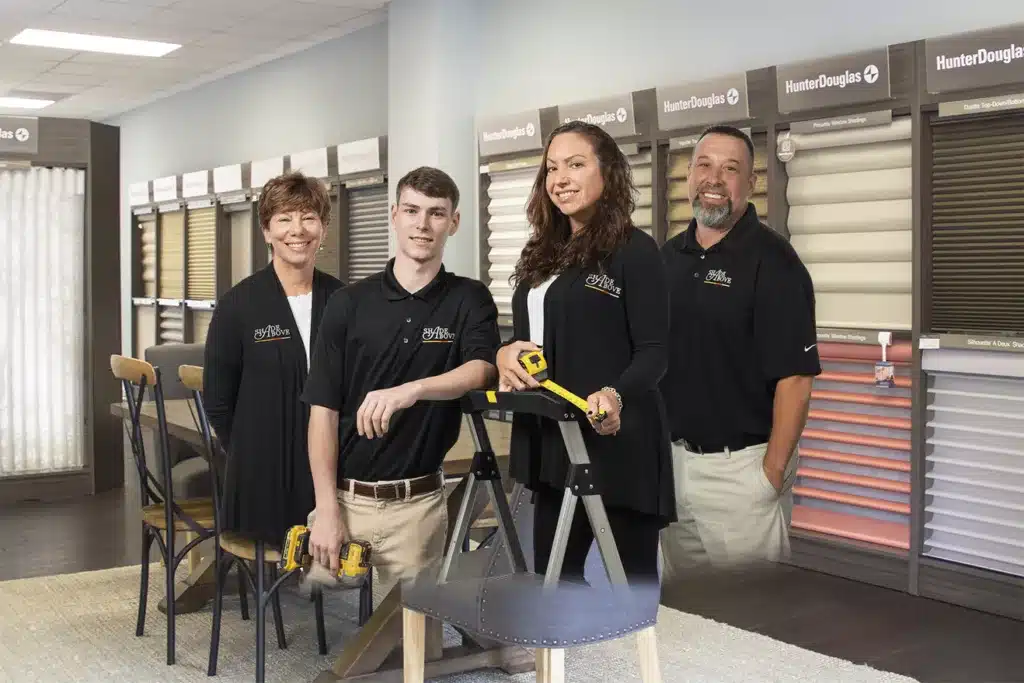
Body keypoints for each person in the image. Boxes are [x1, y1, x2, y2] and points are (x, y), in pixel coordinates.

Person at [302, 166, 501, 593]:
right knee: (313, 615)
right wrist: (327, 509)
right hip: (344, 499)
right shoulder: (347, 303)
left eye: (436, 213)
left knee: (413, 643)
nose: (423, 224)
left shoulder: (468, 298)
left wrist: (413, 390)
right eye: (412, 210)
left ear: (454, 221)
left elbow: (482, 369)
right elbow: (322, 411)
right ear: (394, 215)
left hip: (419, 506)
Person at [494, 120, 676, 587]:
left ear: (607, 173)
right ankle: (561, 663)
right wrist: (507, 354)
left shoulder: (635, 252)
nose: (560, 178)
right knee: (555, 581)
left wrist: (615, 393)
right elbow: (530, 339)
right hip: (554, 440)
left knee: (631, 588)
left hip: (617, 438)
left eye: (576, 164)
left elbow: (654, 353)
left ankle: (638, 663)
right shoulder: (541, 252)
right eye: (552, 168)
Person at [658, 125, 821, 583]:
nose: (714, 178)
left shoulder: (776, 263)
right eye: (704, 166)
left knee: (754, 626)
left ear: (750, 184)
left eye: (730, 169)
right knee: (685, 614)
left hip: (741, 472)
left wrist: (769, 475)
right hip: (673, 467)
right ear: (689, 175)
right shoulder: (668, 259)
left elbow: (796, 379)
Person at [202, 171, 344, 547]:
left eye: (309, 217)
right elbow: (218, 403)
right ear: (266, 231)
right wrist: (255, 453)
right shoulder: (239, 305)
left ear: (323, 228)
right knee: (272, 586)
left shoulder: (346, 301)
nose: (297, 230)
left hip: (334, 476)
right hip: (261, 478)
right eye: (284, 218)